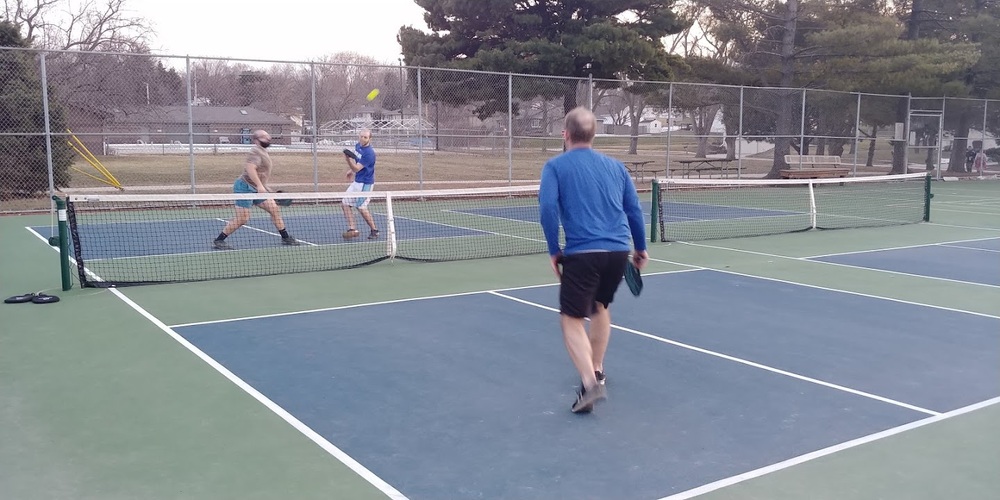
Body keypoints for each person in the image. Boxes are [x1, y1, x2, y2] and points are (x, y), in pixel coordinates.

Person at [538, 107, 649, 414]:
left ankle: (589, 383)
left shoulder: (555, 167)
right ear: (594, 134)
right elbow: (634, 210)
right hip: (617, 253)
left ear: (566, 134)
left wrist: (553, 250)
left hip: (582, 253)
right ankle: (597, 368)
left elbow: (548, 209)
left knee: (571, 319)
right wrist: (640, 248)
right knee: (600, 307)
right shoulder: (615, 167)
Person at [213, 129, 299, 249]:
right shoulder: (255, 152)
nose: (267, 138)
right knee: (243, 219)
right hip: (244, 188)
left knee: (274, 209)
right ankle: (219, 240)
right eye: (263, 137)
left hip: (257, 188)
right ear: (256, 140)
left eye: (267, 136)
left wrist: (264, 187)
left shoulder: (263, 151)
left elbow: (261, 173)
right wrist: (259, 185)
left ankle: (285, 238)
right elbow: (250, 168)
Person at [341, 128, 379, 239]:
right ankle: (352, 229)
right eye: (361, 136)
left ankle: (374, 230)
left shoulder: (369, 154)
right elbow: (357, 163)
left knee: (361, 207)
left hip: (365, 184)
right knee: (344, 203)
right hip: (357, 182)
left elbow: (357, 168)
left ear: (370, 139)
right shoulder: (358, 146)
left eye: (365, 137)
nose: (362, 139)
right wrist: (351, 171)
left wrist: (348, 161)